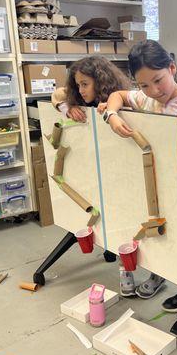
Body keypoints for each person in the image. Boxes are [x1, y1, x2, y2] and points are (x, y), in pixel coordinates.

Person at [100, 39, 177, 338]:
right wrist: (111, 115)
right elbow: (116, 95)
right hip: (163, 188)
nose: (154, 90)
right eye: (144, 84)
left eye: (158, 80)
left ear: (173, 69)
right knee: (174, 243)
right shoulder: (146, 99)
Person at [51, 56, 131, 263]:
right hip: (92, 169)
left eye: (85, 84)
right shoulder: (79, 100)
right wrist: (66, 108)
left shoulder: (117, 100)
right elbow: (58, 94)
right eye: (77, 85)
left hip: (117, 170)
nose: (80, 91)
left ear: (101, 81)